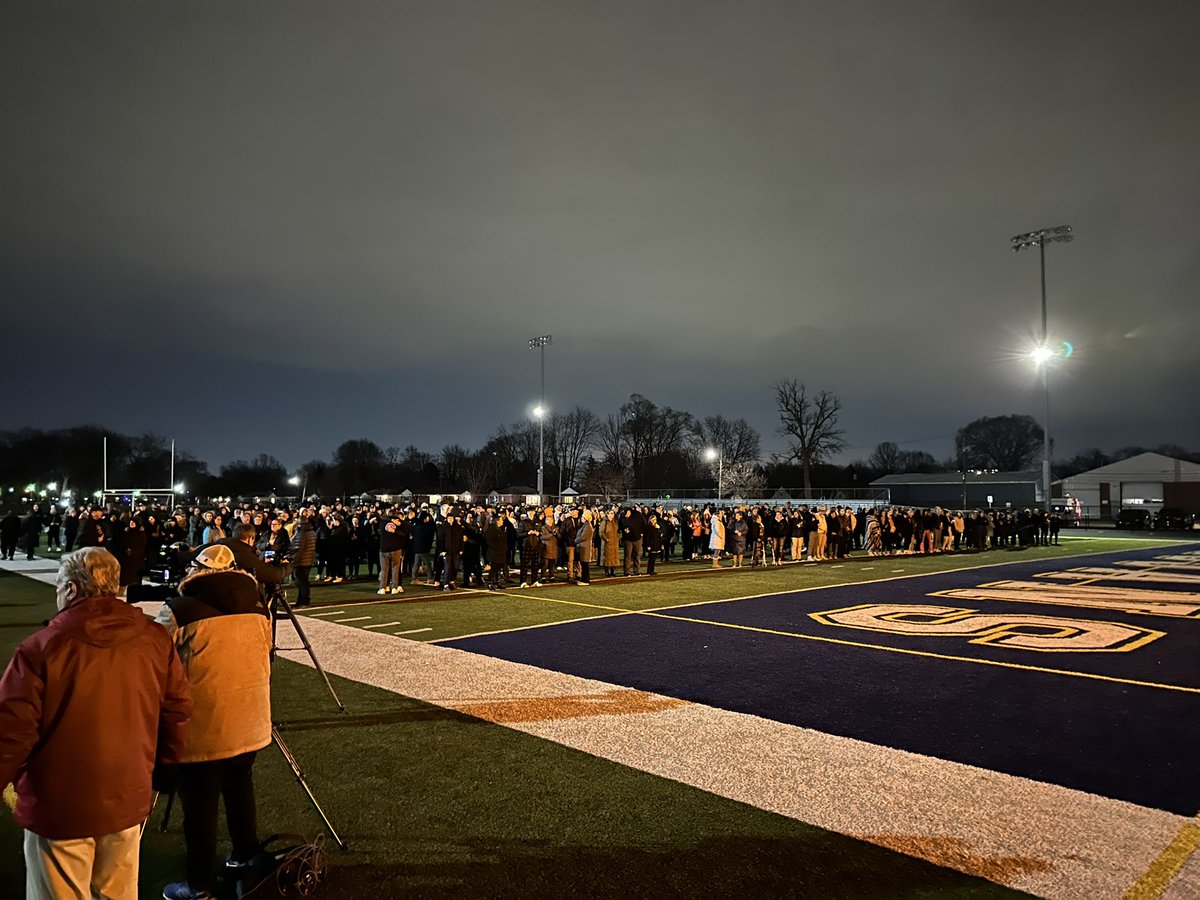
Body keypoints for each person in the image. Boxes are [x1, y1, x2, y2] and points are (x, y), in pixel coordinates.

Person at [0, 547, 193, 900]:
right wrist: (165, 769)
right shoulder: (154, 638)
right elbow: (177, 710)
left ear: (72, 589)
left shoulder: (41, 648)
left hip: (60, 805)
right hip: (128, 793)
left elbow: (10, 733)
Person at [155, 543, 273, 900]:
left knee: (200, 807)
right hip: (251, 719)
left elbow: (155, 663)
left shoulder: (180, 610)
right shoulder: (258, 606)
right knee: (240, 789)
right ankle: (243, 854)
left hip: (202, 726)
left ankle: (199, 884)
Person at [378, 509, 408, 595]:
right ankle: (394, 587)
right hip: (396, 549)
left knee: (384, 570)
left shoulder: (383, 522)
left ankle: (382, 588)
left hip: (384, 549)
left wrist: (389, 520)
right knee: (395, 569)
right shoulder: (399, 523)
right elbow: (407, 530)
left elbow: (379, 518)